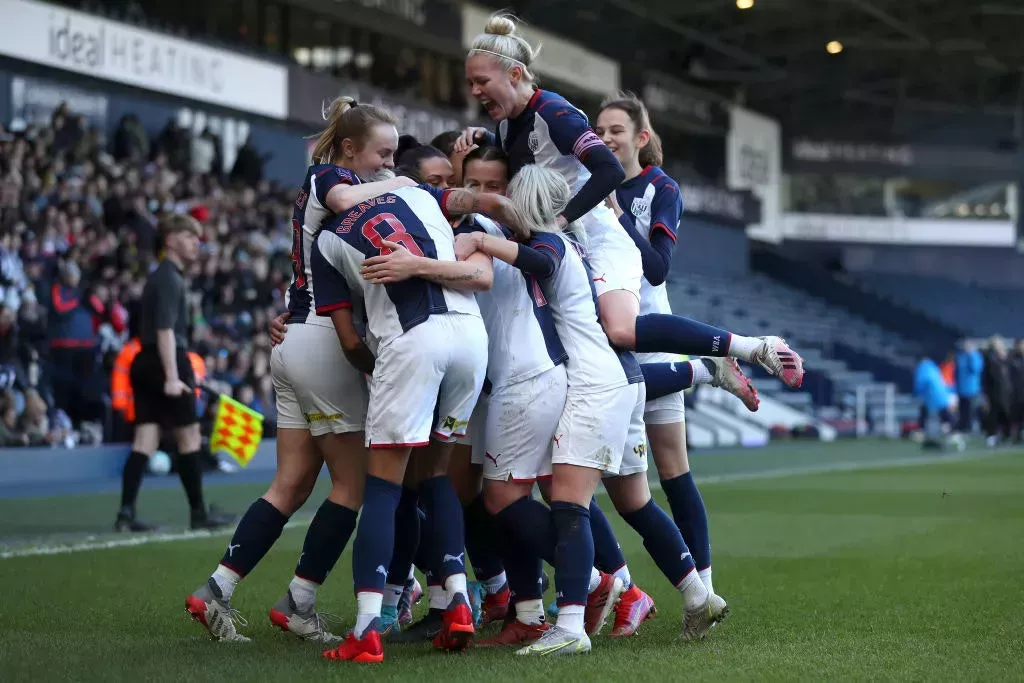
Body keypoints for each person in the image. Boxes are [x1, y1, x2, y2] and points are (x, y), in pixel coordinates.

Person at [457, 165, 730, 656]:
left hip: (593, 384)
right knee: (631, 501)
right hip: (616, 378)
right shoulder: (576, 242)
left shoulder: (552, 244)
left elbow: (539, 260)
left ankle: (573, 623)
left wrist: (481, 241)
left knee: (568, 506)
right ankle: (696, 594)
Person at [453, 13, 803, 391]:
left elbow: (608, 171)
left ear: (515, 75)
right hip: (561, 245)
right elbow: (531, 161)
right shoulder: (506, 127)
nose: (474, 91)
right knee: (579, 355)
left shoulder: (554, 112)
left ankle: (752, 348)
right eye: (470, 82)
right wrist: (486, 139)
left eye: (481, 81)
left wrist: (561, 219)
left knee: (620, 330)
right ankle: (701, 373)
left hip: (598, 238)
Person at [186, 97, 414, 644]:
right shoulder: (331, 176)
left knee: (290, 485)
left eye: (394, 157)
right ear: (349, 148)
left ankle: (216, 589)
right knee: (354, 487)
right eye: (382, 154)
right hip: (322, 343)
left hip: (297, 339)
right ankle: (299, 603)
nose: (388, 165)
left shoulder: (341, 183)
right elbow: (346, 200)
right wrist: (406, 185)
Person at [317, 173, 522, 664]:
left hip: (410, 341)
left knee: (383, 487)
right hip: (470, 338)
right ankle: (457, 602)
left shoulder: (326, 239)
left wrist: (382, 372)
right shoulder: (419, 195)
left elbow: (349, 340)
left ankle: (366, 628)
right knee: (435, 475)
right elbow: (478, 202)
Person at [595, 92, 744, 631]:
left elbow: (657, 269)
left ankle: (703, 590)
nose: (606, 138)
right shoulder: (586, 184)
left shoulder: (661, 189)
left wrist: (618, 217)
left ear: (640, 137)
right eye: (599, 130)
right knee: (605, 481)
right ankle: (635, 587)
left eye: (616, 130)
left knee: (673, 470)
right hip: (602, 342)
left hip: (651, 334)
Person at [117, 214, 231, 532]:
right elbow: (165, 330)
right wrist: (171, 375)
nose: (196, 243)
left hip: (146, 361)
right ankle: (198, 513)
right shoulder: (169, 277)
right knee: (189, 436)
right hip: (167, 360)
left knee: (145, 438)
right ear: (170, 240)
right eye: (189, 236)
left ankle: (125, 513)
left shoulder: (161, 276)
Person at [954, 340, 984, 433]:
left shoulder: (975, 356)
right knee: (963, 412)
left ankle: (972, 429)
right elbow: (956, 372)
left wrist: (971, 355)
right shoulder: (960, 356)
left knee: (971, 411)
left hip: (972, 390)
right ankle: (963, 428)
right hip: (961, 390)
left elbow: (976, 369)